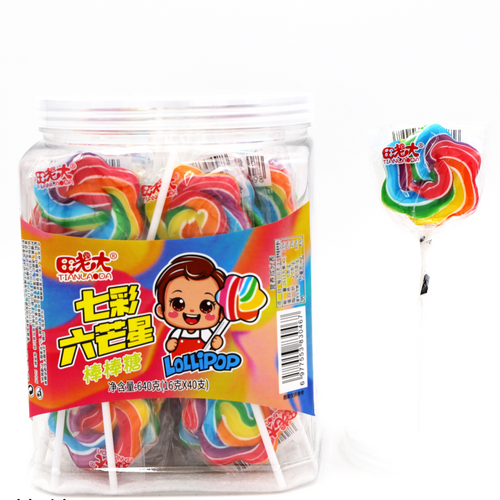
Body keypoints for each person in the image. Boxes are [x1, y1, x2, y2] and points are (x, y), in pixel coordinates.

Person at [154, 254, 226, 357]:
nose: (192, 310)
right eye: (178, 304)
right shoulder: (177, 333)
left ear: (221, 314)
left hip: (204, 363)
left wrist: (216, 343)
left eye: (206, 307)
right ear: (161, 310)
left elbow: (213, 344)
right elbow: (169, 346)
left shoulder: (205, 333)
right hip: (178, 362)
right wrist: (170, 344)